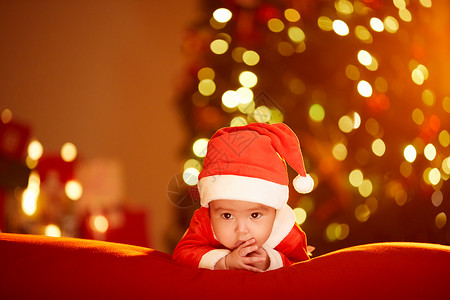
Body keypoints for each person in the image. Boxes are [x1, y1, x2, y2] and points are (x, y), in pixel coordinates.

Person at [173, 122, 314, 272]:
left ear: (275, 211)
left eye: (254, 215)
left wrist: (269, 261)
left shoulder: (285, 230)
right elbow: (182, 254)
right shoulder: (205, 222)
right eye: (227, 216)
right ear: (211, 208)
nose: (241, 231)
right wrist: (224, 262)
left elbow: (301, 268)